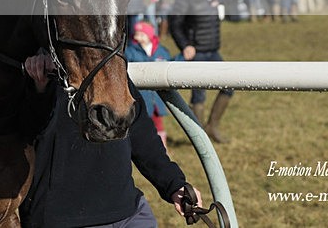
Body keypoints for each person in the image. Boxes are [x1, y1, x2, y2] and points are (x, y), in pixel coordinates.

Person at [20, 52, 201, 228]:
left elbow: (142, 137)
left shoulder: (113, 67)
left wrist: (174, 185)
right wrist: (38, 89)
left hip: (131, 214)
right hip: (63, 219)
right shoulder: (33, 69)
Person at [168, 0, 237, 143]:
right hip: (196, 53)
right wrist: (185, 45)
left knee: (229, 87)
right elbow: (175, 24)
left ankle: (212, 127)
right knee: (199, 94)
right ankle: (199, 137)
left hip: (213, 51)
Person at [125, 21, 173, 148]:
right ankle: (140, 146)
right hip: (141, 96)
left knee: (158, 124)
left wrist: (183, 58)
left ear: (150, 35)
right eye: (136, 34)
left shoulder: (161, 51)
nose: (137, 37)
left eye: (141, 34)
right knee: (140, 123)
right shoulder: (130, 51)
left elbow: (170, 64)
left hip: (156, 98)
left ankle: (162, 147)